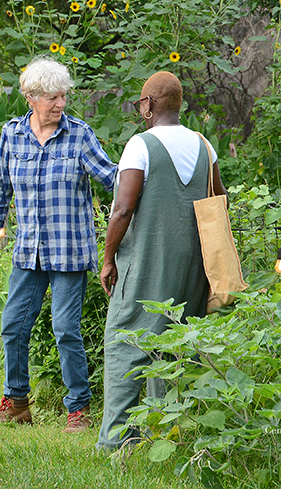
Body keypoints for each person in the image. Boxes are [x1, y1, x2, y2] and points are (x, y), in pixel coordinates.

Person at [0, 56, 117, 433]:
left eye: (63, 97)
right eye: (52, 98)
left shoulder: (80, 135)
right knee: (13, 326)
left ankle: (78, 411)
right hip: (28, 251)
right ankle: (16, 404)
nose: (59, 104)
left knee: (66, 329)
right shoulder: (12, 135)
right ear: (30, 97)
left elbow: (113, 179)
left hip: (70, 252)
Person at [96, 70, 227, 450]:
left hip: (145, 265)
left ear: (150, 104)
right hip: (192, 268)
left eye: (141, 102)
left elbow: (122, 210)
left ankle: (116, 441)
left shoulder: (141, 145)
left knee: (125, 341)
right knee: (174, 346)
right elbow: (219, 201)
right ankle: (167, 435)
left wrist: (108, 260)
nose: (141, 108)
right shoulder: (204, 146)